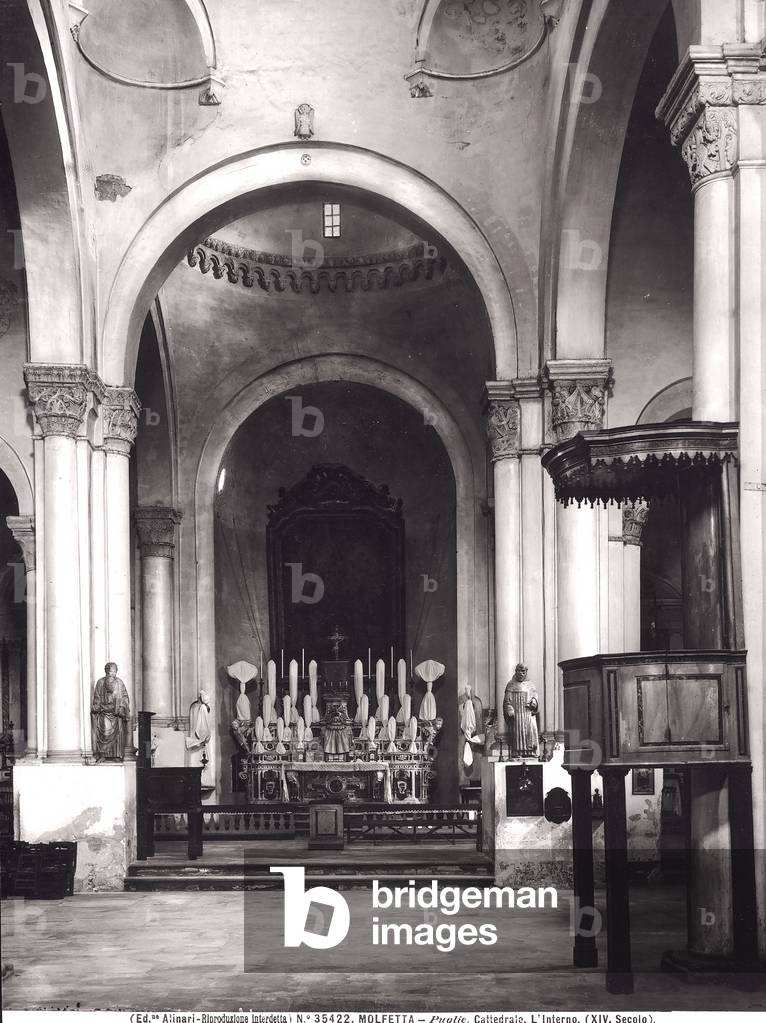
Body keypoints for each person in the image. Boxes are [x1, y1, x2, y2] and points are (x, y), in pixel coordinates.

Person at [91, 662, 130, 762]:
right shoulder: (100, 682)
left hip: (116, 714)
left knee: (119, 733)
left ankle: (116, 755)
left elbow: (125, 697)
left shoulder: (119, 682)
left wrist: (121, 706)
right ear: (106, 671)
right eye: (110, 672)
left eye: (114, 672)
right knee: (104, 731)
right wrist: (99, 706)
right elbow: (97, 698)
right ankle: (103, 755)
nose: (112, 674)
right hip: (104, 712)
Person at [503, 663, 540, 758]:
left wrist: (534, 702)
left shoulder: (531, 685)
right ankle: (517, 753)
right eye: (519, 671)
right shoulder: (510, 685)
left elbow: (535, 696)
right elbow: (507, 701)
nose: (521, 673)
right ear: (516, 672)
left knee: (530, 732)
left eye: (523, 672)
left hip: (528, 714)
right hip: (517, 715)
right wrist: (510, 709)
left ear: (526, 672)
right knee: (518, 734)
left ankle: (531, 752)